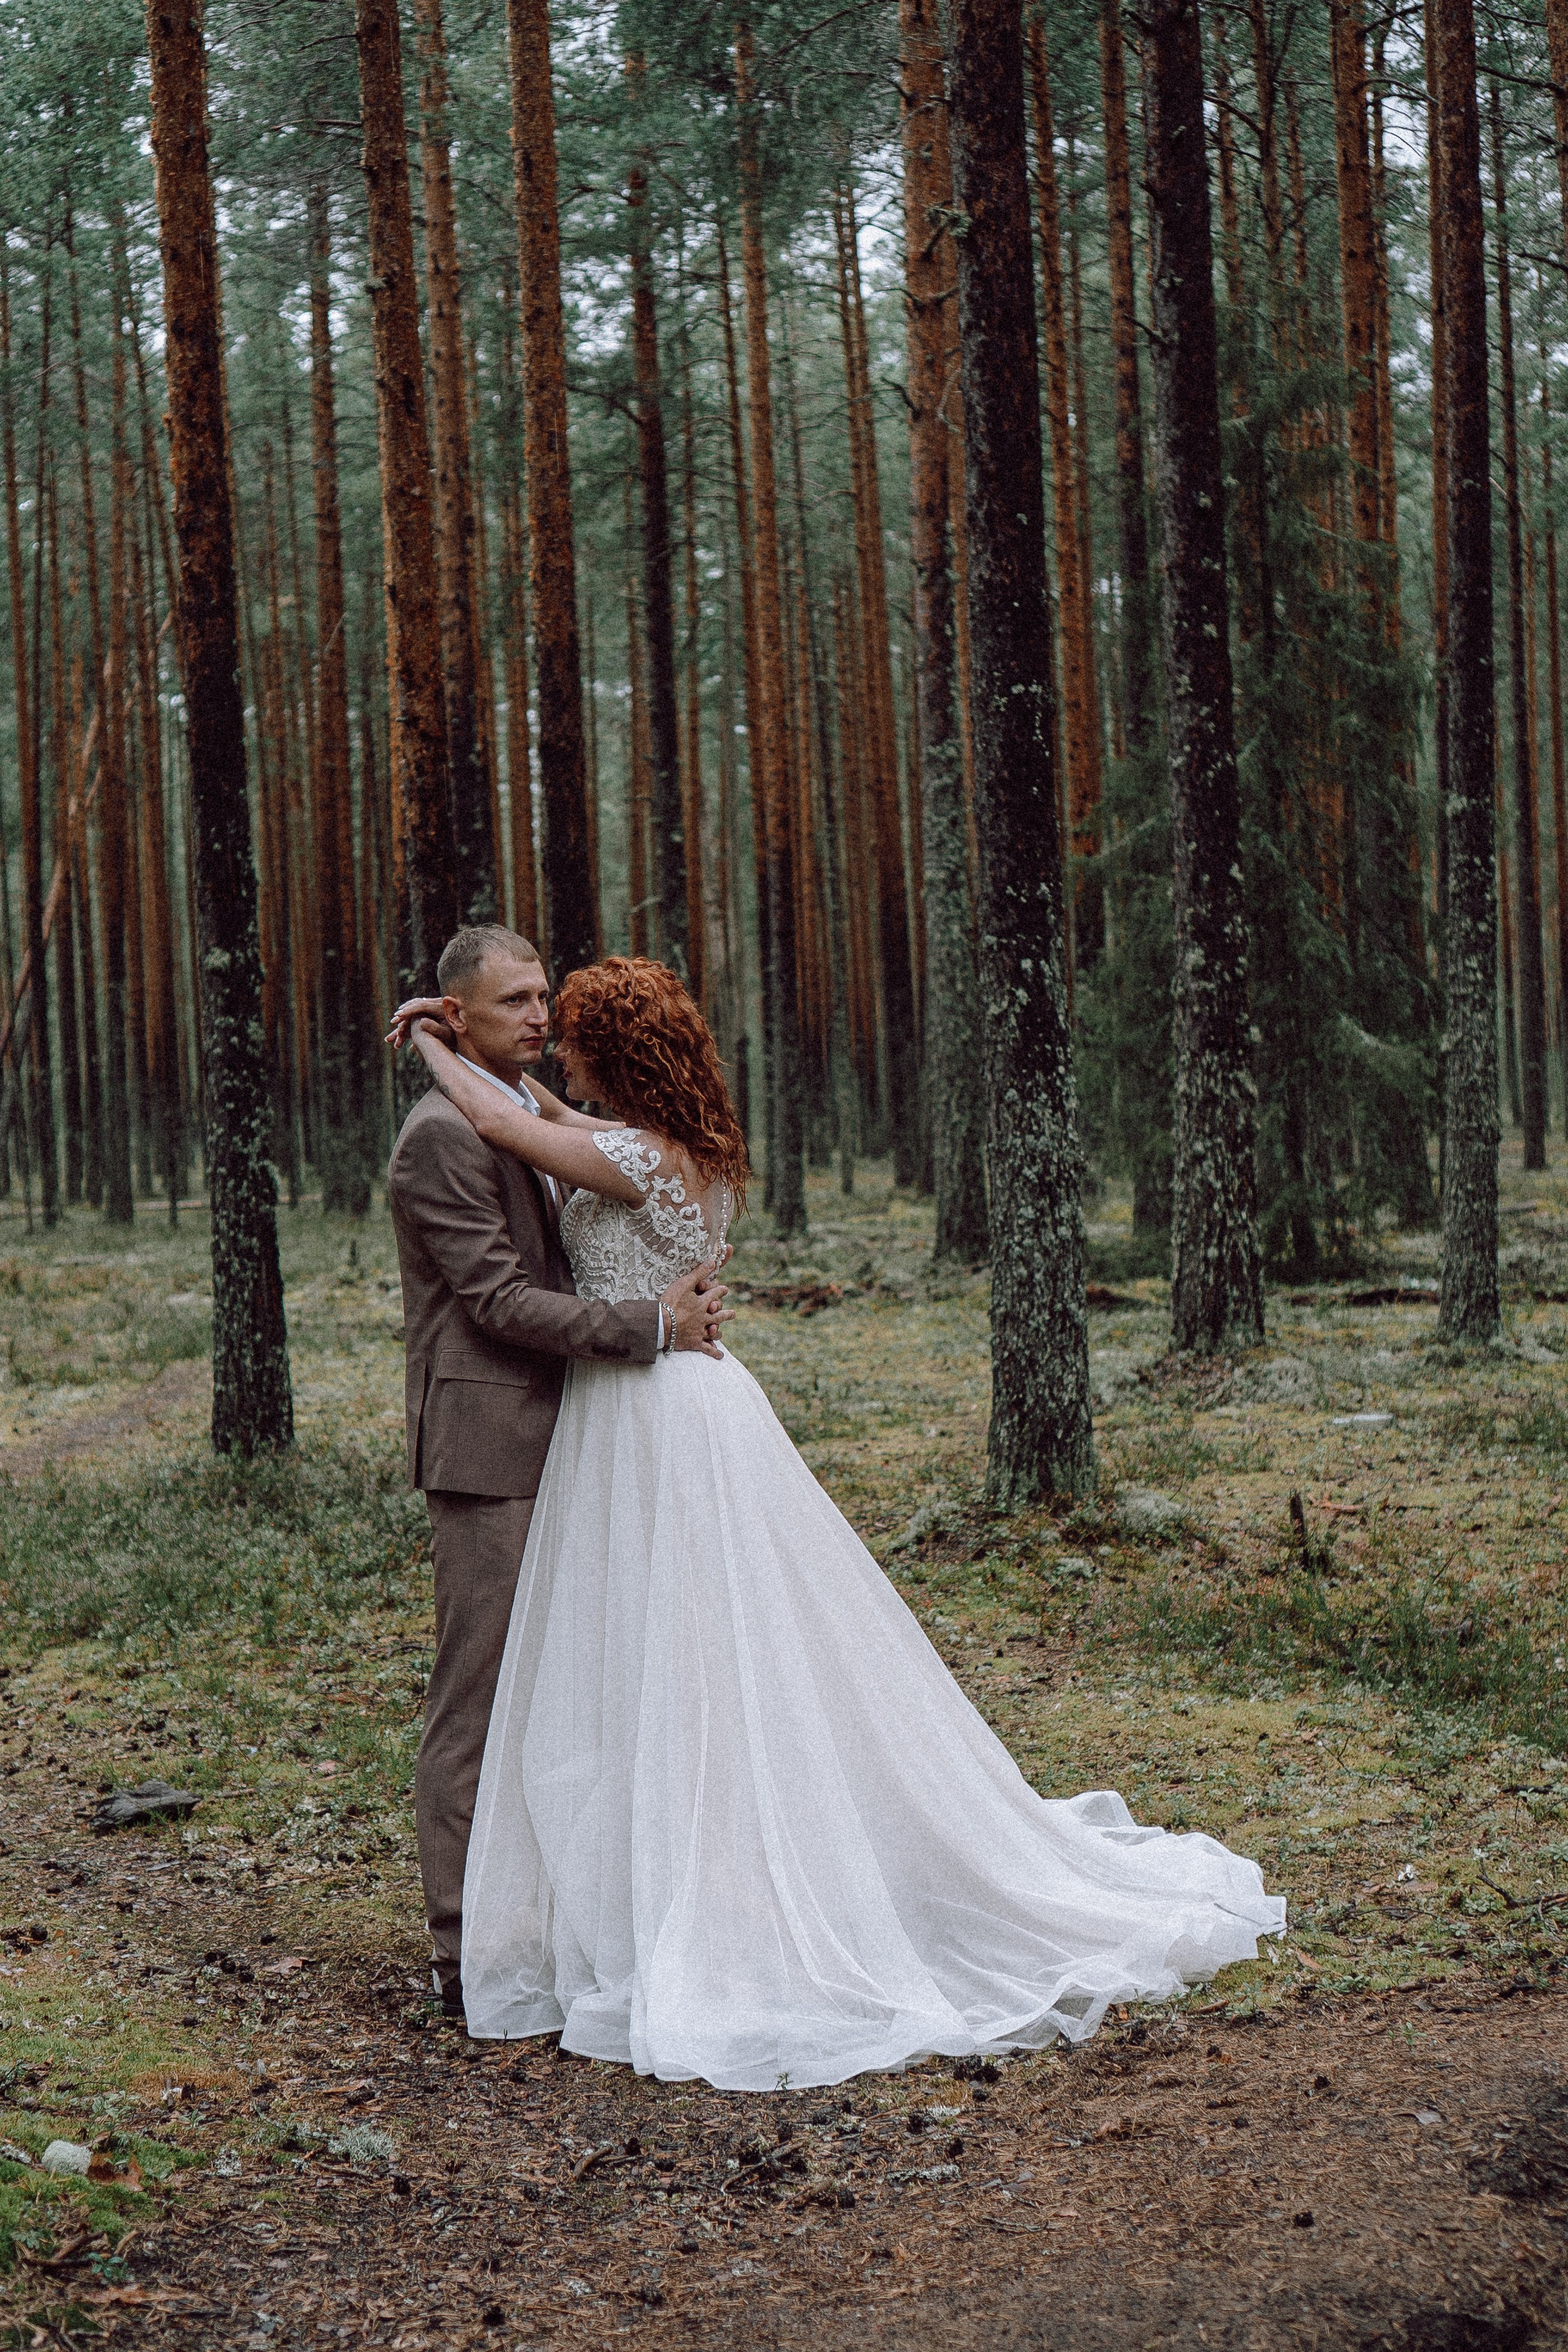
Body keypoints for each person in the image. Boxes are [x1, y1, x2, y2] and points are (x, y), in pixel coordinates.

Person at [388, 955, 1284, 2090]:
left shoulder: (614, 1153)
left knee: (683, 1666)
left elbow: (516, 1127)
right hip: (664, 1410)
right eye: (526, 1012)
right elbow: (544, 1122)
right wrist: (490, 1065)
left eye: (567, 1030)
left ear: (615, 1056)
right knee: (690, 1660)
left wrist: (432, 1043)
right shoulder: (681, 1149)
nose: (550, 1043)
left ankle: (662, 1904)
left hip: (652, 1413)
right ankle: (629, 1894)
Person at [385, 925, 729, 2023]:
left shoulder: (544, 1118)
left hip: (597, 1442)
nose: (542, 1017)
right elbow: (493, 1302)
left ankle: (572, 1919)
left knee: (592, 1690)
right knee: (480, 1699)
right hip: (495, 1454)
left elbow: (535, 1127)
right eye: (518, 1001)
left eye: (547, 998)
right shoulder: (442, 1137)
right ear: (458, 1016)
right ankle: (462, 1950)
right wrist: (652, 1323)